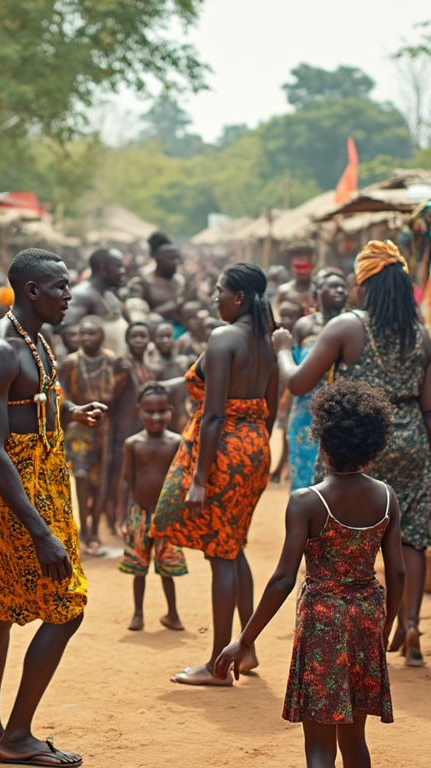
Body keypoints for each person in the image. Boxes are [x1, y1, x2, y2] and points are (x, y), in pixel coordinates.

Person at [273, 240, 431, 667]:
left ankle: (341, 617)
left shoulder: (346, 327)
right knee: (412, 540)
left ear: (366, 285)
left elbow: (297, 383)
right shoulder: (421, 336)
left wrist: (281, 346)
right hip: (410, 444)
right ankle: (410, 625)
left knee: (341, 530)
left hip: (357, 443)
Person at [215, 378, 405, 768]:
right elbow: (398, 573)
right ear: (373, 445)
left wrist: (245, 640)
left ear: (321, 441)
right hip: (367, 617)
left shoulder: (307, 501)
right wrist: (383, 630)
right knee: (355, 741)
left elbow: (283, 579)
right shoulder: (387, 496)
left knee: (319, 747)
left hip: (322, 623)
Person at [0, 248, 108, 767]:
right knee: (67, 605)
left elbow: (34, 399)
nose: (69, 295)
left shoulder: (35, 338)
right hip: (13, 487)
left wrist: (71, 411)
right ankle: (16, 735)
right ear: (31, 290)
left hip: (42, 472)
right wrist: (40, 530)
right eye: (61, 287)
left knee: (4, 602)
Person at [151, 262, 279, 686]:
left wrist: (201, 478)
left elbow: (213, 414)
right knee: (234, 545)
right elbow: (272, 407)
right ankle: (246, 648)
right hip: (255, 446)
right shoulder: (267, 341)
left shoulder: (226, 338)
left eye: (220, 291)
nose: (214, 298)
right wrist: (260, 447)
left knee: (220, 553)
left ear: (239, 297)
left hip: (223, 450)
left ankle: (218, 667)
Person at [117, 382, 187, 631]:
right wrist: (122, 516)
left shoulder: (177, 442)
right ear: (139, 411)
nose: (156, 417)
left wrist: (181, 513)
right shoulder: (133, 444)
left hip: (166, 515)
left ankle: (173, 614)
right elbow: (126, 479)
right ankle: (138, 614)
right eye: (149, 411)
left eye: (161, 411)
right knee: (139, 568)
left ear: (171, 410)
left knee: (167, 567)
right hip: (139, 513)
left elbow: (181, 480)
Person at [59, 317, 126, 556]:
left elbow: (116, 394)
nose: (87, 338)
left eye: (92, 334)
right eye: (83, 334)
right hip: (78, 427)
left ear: (101, 335)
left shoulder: (112, 361)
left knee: (100, 480)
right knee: (81, 475)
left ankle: (94, 531)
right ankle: (84, 529)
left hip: (103, 427)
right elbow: (61, 393)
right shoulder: (71, 363)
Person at [286, 269, 349, 490]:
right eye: (332, 286)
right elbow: (291, 368)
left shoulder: (353, 327)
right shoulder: (304, 326)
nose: (340, 290)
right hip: (306, 416)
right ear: (316, 295)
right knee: (304, 481)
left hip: (342, 417)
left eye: (343, 286)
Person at [106, 321, 157, 530]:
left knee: (136, 473)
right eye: (134, 336)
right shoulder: (123, 364)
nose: (138, 340)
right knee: (120, 474)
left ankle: (133, 517)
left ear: (148, 340)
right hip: (123, 428)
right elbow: (111, 395)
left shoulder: (146, 367)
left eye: (142, 336)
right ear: (127, 340)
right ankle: (118, 519)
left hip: (140, 428)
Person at [63, 247, 129, 355]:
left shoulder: (108, 293)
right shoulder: (82, 294)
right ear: (103, 268)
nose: (123, 271)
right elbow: (70, 335)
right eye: (118, 266)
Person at [269, 300, 304, 482]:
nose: (285, 320)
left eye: (290, 316)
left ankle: (284, 466)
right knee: (282, 431)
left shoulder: (297, 339)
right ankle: (280, 465)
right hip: (280, 392)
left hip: (293, 394)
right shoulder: (276, 338)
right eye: (282, 316)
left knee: (290, 431)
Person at [127, 232, 186, 326]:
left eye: (178, 259)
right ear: (158, 259)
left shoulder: (179, 280)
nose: (176, 263)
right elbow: (139, 316)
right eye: (171, 259)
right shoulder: (144, 280)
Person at [275, 250, 317, 315]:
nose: (302, 271)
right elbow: (276, 315)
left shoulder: (317, 291)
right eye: (298, 267)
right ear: (292, 268)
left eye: (305, 267)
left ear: (312, 268)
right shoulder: (284, 291)